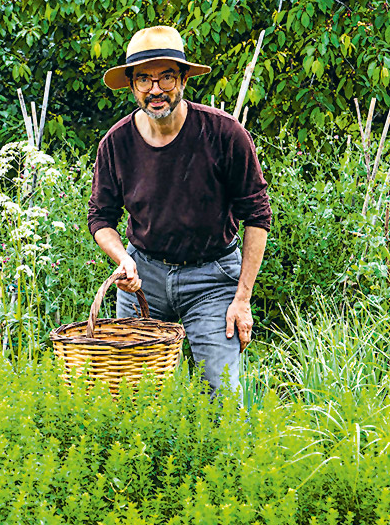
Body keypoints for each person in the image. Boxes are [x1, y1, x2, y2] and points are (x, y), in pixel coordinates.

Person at [87, 26, 272, 395]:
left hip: (212, 278)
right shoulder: (116, 143)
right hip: (143, 277)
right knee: (133, 395)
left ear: (184, 79)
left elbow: (257, 215)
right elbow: (100, 217)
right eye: (144, 79)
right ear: (132, 86)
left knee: (221, 395)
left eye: (166, 77)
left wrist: (242, 299)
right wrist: (123, 259)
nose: (155, 89)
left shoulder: (224, 134)